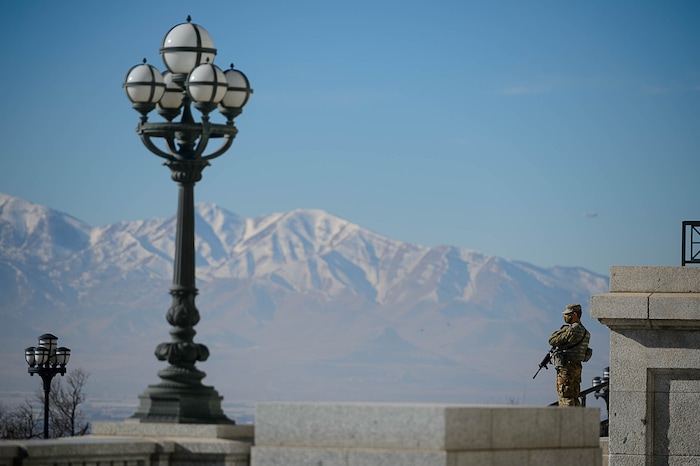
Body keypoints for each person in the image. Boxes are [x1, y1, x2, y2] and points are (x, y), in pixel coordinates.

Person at [548, 304, 591, 406]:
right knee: (574, 398)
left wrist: (563, 330)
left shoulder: (572, 330)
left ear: (574, 314)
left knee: (565, 399)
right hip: (576, 369)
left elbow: (552, 340)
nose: (565, 317)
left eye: (568, 314)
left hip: (566, 370)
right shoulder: (586, 332)